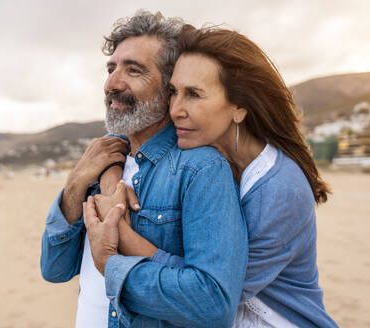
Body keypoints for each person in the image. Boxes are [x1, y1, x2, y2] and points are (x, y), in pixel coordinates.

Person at [93, 25, 339, 327]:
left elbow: (213, 290)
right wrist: (110, 174)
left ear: (239, 109)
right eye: (174, 92)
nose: (176, 110)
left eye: (194, 95)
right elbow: (122, 139)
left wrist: (117, 234)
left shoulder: (278, 188)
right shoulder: (208, 152)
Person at [40, 11, 248, 328]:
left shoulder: (201, 168)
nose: (112, 83)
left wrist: (112, 264)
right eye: (111, 69)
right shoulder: (101, 161)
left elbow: (213, 303)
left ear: (170, 89)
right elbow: (54, 269)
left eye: (133, 70)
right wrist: (77, 181)